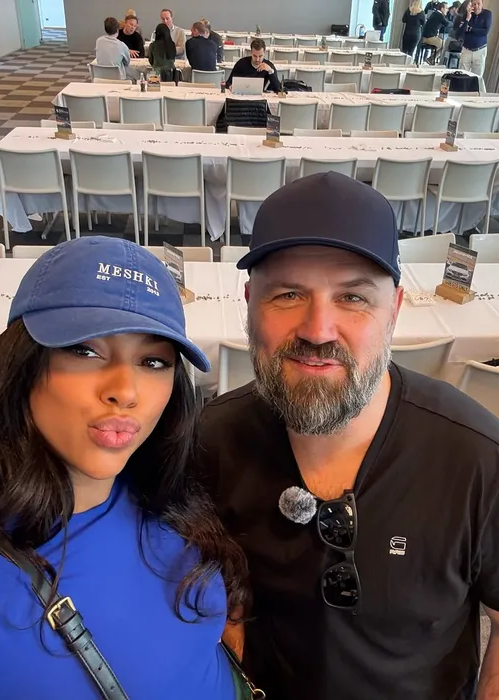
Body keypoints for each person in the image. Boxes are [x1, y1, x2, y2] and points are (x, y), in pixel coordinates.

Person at [198, 173, 499, 700]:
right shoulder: (208, 444)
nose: (318, 330)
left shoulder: (475, 456)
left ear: (394, 310)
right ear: (249, 303)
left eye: (353, 297)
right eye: (288, 294)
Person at [0, 236, 250, 700]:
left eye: (153, 361)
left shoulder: (164, 491)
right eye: (85, 351)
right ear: (21, 366)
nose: (125, 390)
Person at [457, 0, 492, 76]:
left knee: (477, 77)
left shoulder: (487, 14)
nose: (476, 6)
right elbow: (460, 32)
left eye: (478, 4)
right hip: (466, 49)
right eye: (474, 4)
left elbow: (485, 32)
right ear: (471, 5)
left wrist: (470, 29)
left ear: (482, 4)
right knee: (461, 75)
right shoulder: (467, 14)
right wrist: (467, 18)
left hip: (480, 50)